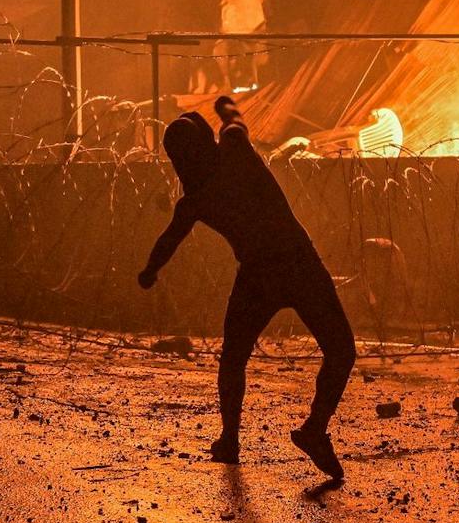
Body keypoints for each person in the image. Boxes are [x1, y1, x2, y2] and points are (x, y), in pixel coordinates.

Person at [138, 96, 355, 482]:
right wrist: (224, 108)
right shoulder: (235, 149)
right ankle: (314, 429)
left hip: (257, 275)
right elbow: (234, 119)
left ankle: (230, 440)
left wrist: (149, 272)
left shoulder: (194, 201)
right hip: (298, 262)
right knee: (340, 350)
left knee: (234, 357)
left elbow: (167, 242)